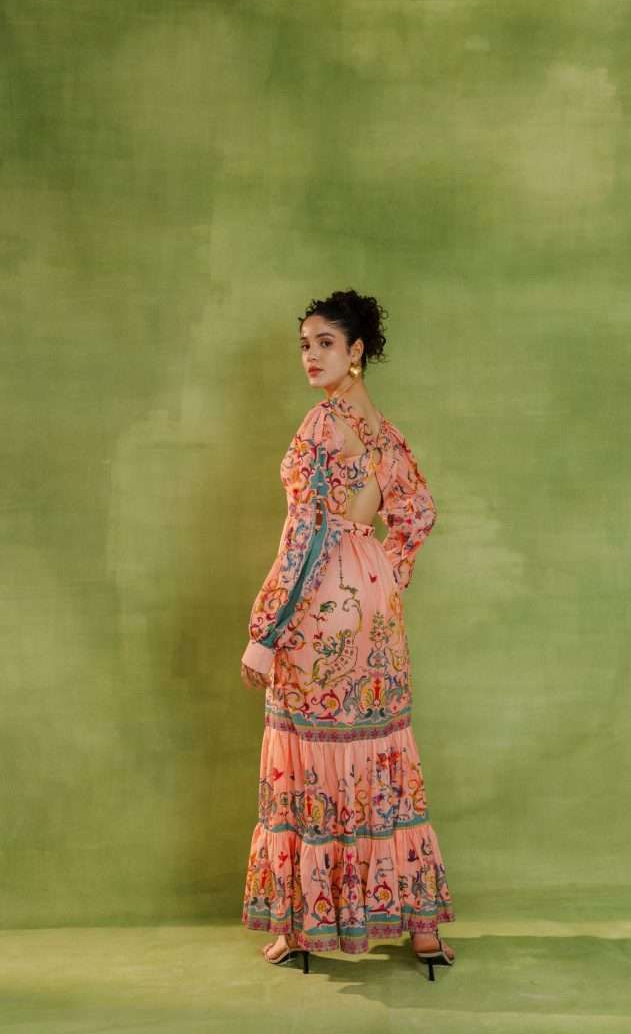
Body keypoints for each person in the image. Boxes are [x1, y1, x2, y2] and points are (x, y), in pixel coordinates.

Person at [240, 289, 456, 974]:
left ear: (356, 350)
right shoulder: (383, 430)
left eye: (325, 343)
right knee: (381, 750)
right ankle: (421, 929)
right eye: (305, 345)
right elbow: (418, 513)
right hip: (374, 606)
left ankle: (302, 926)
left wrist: (264, 633)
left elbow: (304, 537)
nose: (311, 356)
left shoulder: (321, 426)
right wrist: (382, 573)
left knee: (313, 753)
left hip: (319, 605)